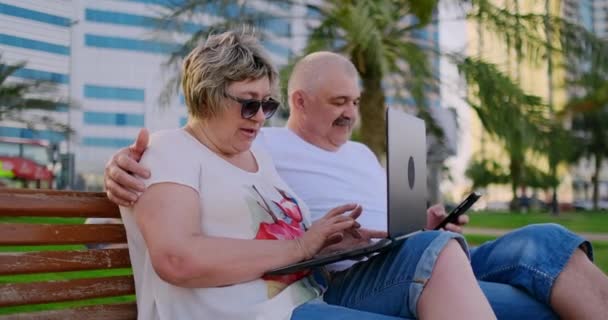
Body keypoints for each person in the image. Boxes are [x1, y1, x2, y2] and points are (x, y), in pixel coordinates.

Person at [106, 48, 608, 318]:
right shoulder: (219, 146)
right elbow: (165, 242)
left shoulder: (266, 156)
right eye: (249, 103)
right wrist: (119, 175)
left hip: (351, 273)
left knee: (543, 248)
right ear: (207, 97)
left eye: (266, 104)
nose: (260, 116)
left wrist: (343, 235)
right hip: (318, 292)